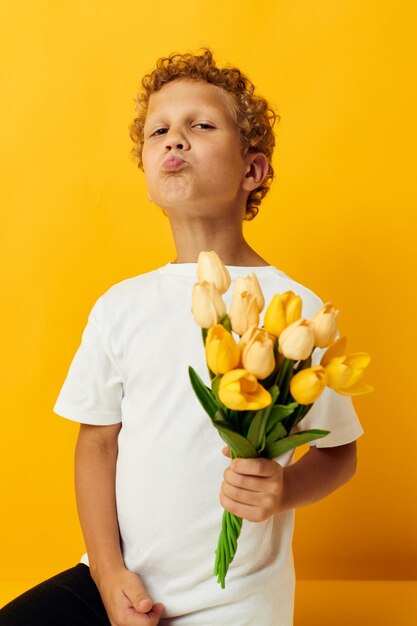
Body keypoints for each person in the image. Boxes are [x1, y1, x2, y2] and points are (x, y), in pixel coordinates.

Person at [0, 48, 363, 626]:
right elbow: (96, 444)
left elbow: (340, 453)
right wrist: (108, 573)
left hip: (237, 604)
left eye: (200, 125)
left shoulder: (299, 310)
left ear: (253, 171)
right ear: (145, 170)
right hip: (119, 581)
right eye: (158, 131)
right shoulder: (121, 306)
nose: (175, 140)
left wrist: (283, 490)